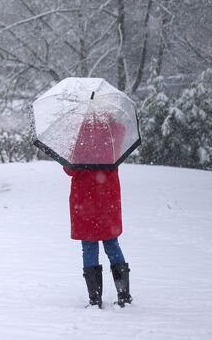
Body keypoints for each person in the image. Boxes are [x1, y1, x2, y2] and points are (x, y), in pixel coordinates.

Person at [64, 112, 132, 308]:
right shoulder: (115, 131)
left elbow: (71, 169)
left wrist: (70, 150)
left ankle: (95, 299)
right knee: (111, 243)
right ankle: (123, 295)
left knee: (89, 245)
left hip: (85, 199)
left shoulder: (85, 133)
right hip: (108, 196)